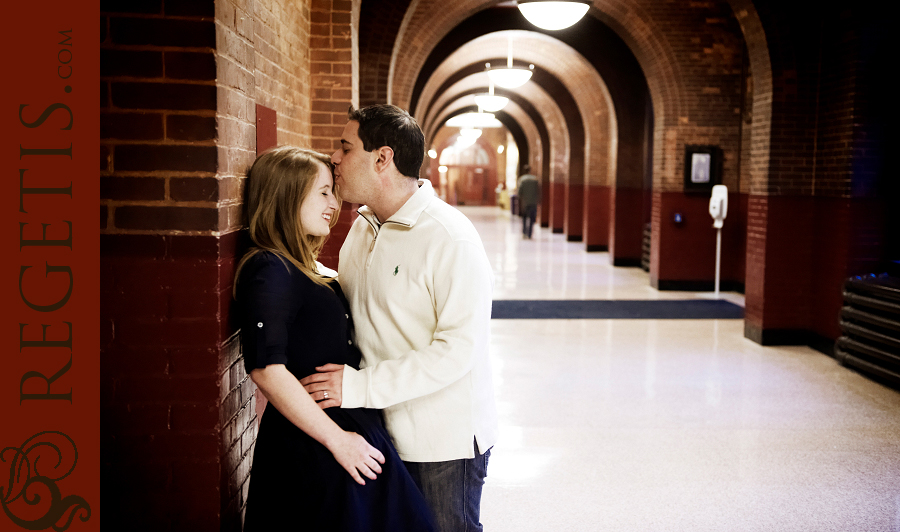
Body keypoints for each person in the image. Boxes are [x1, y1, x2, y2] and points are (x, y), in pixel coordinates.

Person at [300, 105, 498, 532]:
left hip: (442, 445)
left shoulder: (450, 237)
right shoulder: (363, 226)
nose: (335, 158)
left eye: (345, 147)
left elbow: (457, 350)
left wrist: (356, 386)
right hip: (380, 429)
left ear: (382, 159)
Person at [234, 146, 435, 532]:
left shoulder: (299, 265)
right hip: (315, 440)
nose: (333, 203)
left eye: (332, 190)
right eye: (322, 192)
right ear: (286, 196)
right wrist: (339, 441)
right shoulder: (269, 267)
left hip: (343, 422)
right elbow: (266, 370)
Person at [516, 165, 541, 239]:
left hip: (525, 202)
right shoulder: (535, 180)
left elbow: (519, 192)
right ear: (530, 170)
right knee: (532, 218)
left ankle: (524, 232)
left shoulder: (522, 179)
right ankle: (530, 233)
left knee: (524, 218)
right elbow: (538, 191)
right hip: (533, 202)